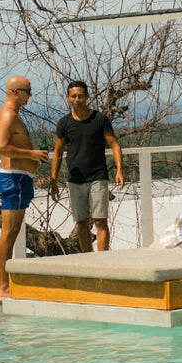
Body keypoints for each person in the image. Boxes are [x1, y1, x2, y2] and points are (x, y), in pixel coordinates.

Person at [49, 81, 124, 252]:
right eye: (74, 96)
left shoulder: (100, 119)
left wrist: (119, 170)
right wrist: (53, 180)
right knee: (81, 222)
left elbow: (114, 144)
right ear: (68, 98)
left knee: (100, 221)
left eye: (81, 96)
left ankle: (103, 262)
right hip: (75, 180)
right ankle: (88, 259)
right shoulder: (64, 123)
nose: (77, 99)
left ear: (87, 97)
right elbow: (58, 153)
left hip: (98, 176)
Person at [0, 75, 50, 296]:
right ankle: (2, 285)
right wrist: (32, 153)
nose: (30, 96)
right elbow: (1, 147)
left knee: (14, 232)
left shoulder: (14, 114)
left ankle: (6, 283)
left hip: (20, 177)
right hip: (13, 178)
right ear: (16, 92)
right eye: (28, 91)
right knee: (8, 233)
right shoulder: (7, 114)